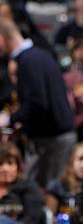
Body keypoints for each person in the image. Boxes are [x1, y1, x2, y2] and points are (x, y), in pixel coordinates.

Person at [0, 17, 76, 186]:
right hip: (57, 136)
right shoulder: (39, 54)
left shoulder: (28, 60)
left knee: (46, 191)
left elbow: (37, 103)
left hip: (54, 140)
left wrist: (10, 119)